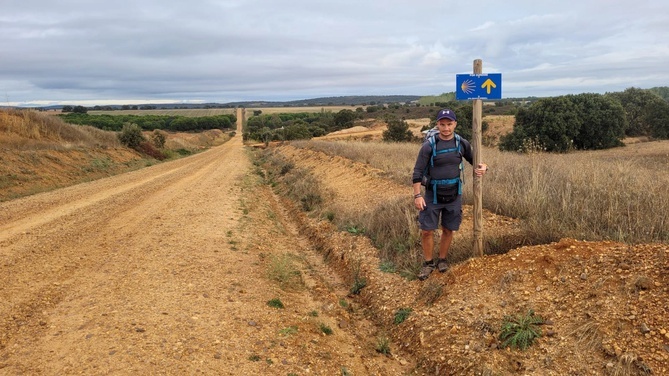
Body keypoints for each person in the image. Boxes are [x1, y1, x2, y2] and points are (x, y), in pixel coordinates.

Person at [412, 109, 488, 281]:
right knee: (427, 231)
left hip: (454, 194)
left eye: (449, 124)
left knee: (448, 229)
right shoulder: (428, 146)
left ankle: (442, 260)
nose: (446, 128)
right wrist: (418, 196)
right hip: (432, 194)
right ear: (437, 124)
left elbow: (476, 161)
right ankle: (428, 263)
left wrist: (485, 167)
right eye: (442, 124)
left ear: (455, 124)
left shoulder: (462, 143)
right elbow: (417, 172)